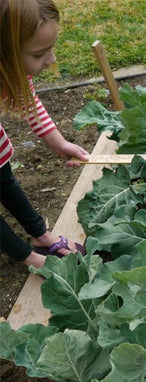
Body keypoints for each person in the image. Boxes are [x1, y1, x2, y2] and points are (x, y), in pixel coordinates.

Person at [0, 0, 89, 269]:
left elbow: (28, 100)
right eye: (39, 54)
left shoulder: (10, 68)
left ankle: (40, 235)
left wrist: (59, 143)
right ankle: (30, 257)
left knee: (4, 180)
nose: (51, 60)